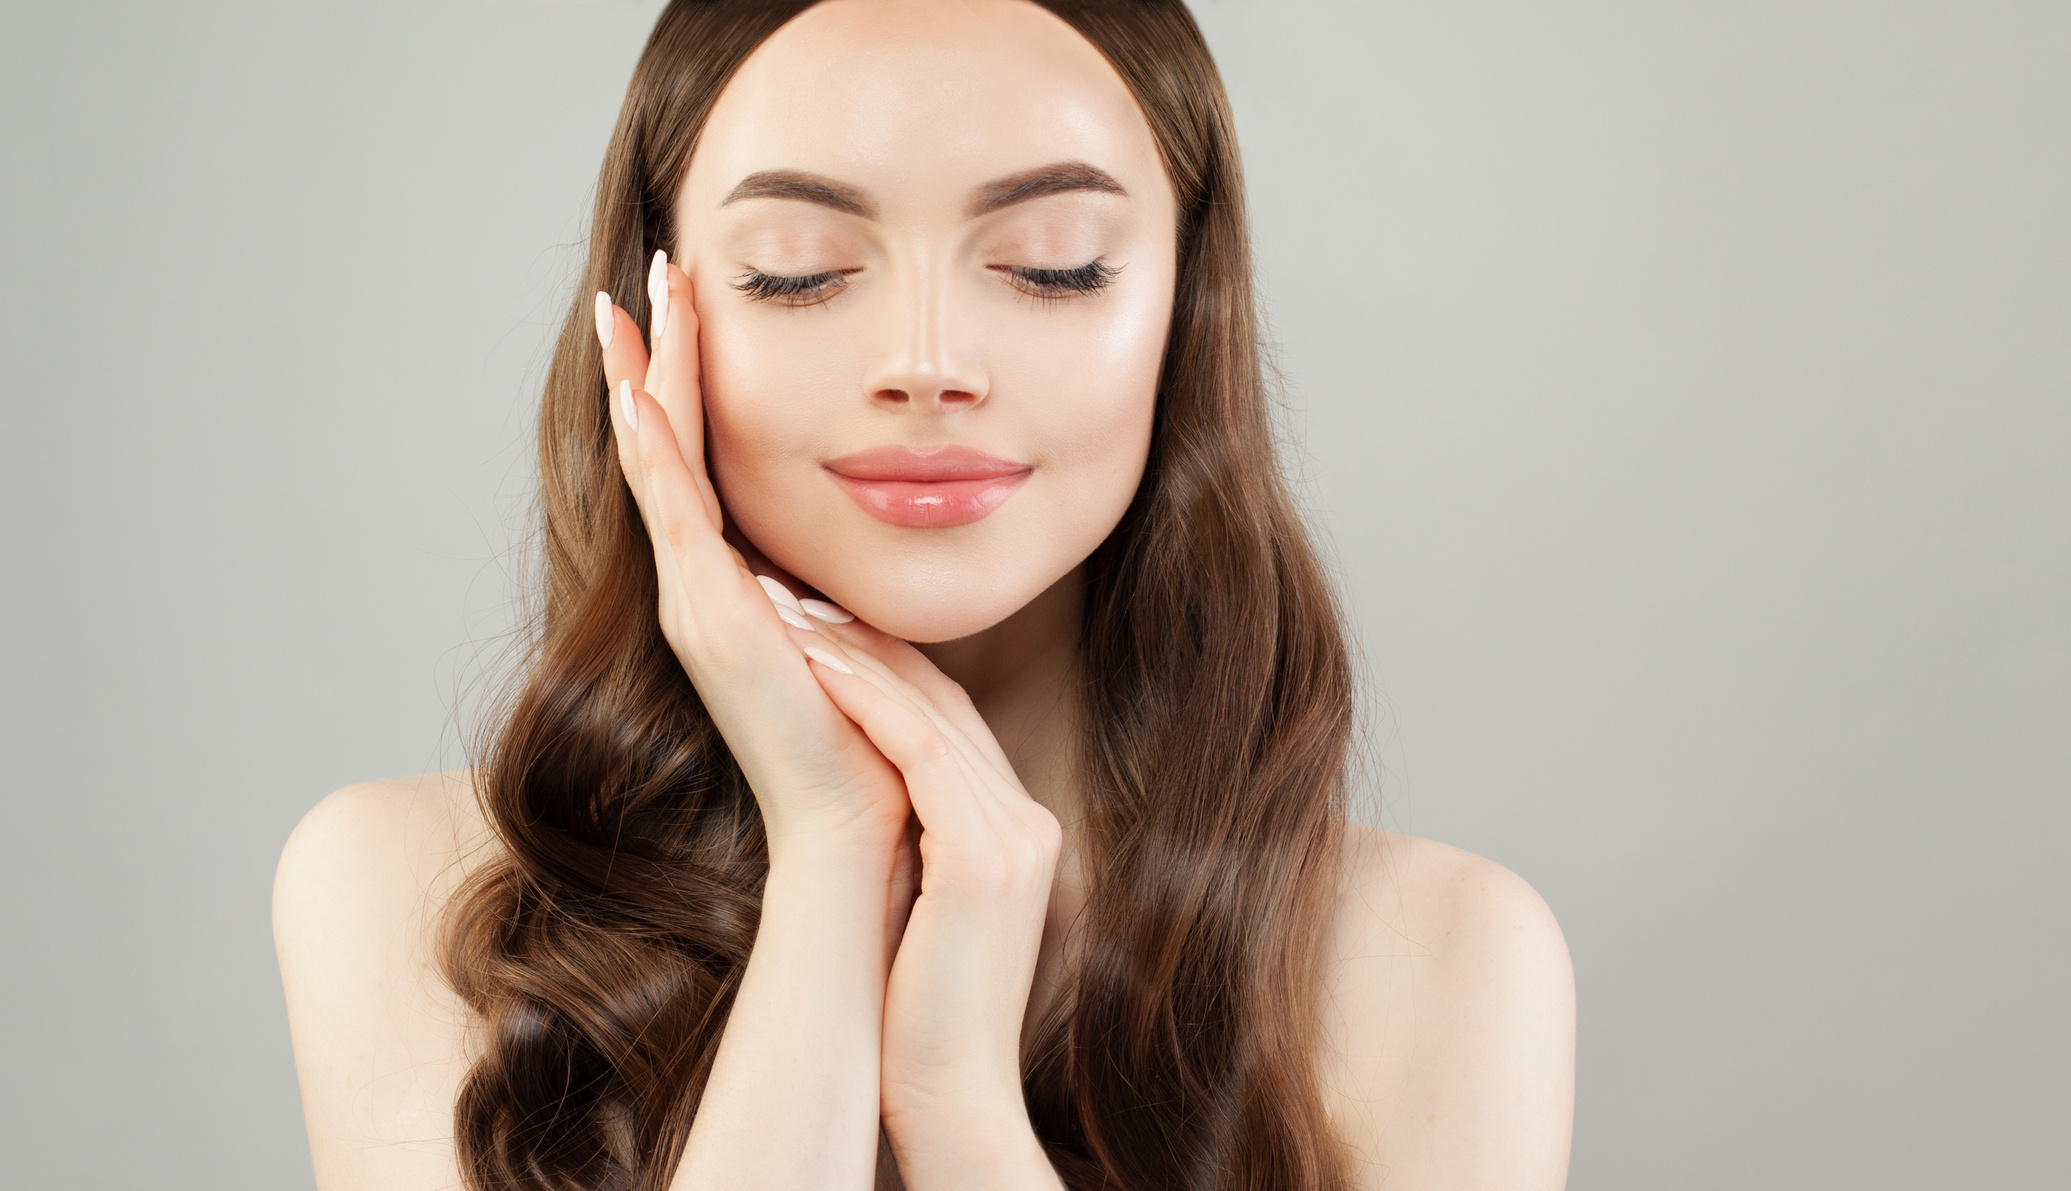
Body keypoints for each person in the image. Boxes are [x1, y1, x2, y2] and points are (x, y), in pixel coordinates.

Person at [271, 1, 1574, 1187]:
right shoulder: (403, 897)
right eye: (798, 267)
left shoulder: (1445, 964)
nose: (928, 363)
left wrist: (958, 1112)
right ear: (657, 316)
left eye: (1055, 264)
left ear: (1188, 312)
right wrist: (835, 854)